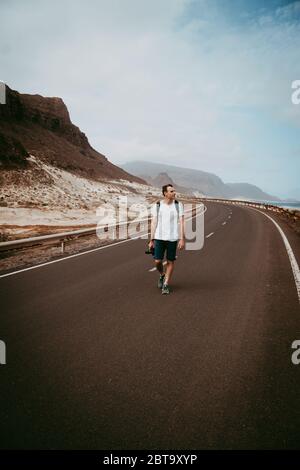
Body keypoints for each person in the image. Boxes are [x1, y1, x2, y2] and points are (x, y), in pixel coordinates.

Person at [148, 184, 185, 295]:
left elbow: (182, 222)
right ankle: (162, 274)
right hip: (159, 237)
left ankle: (166, 284)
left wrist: (182, 238)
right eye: (171, 191)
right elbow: (154, 222)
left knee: (170, 261)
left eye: (174, 191)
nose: (174, 192)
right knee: (158, 261)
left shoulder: (178, 205)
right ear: (165, 193)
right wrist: (151, 239)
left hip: (172, 238)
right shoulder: (157, 205)